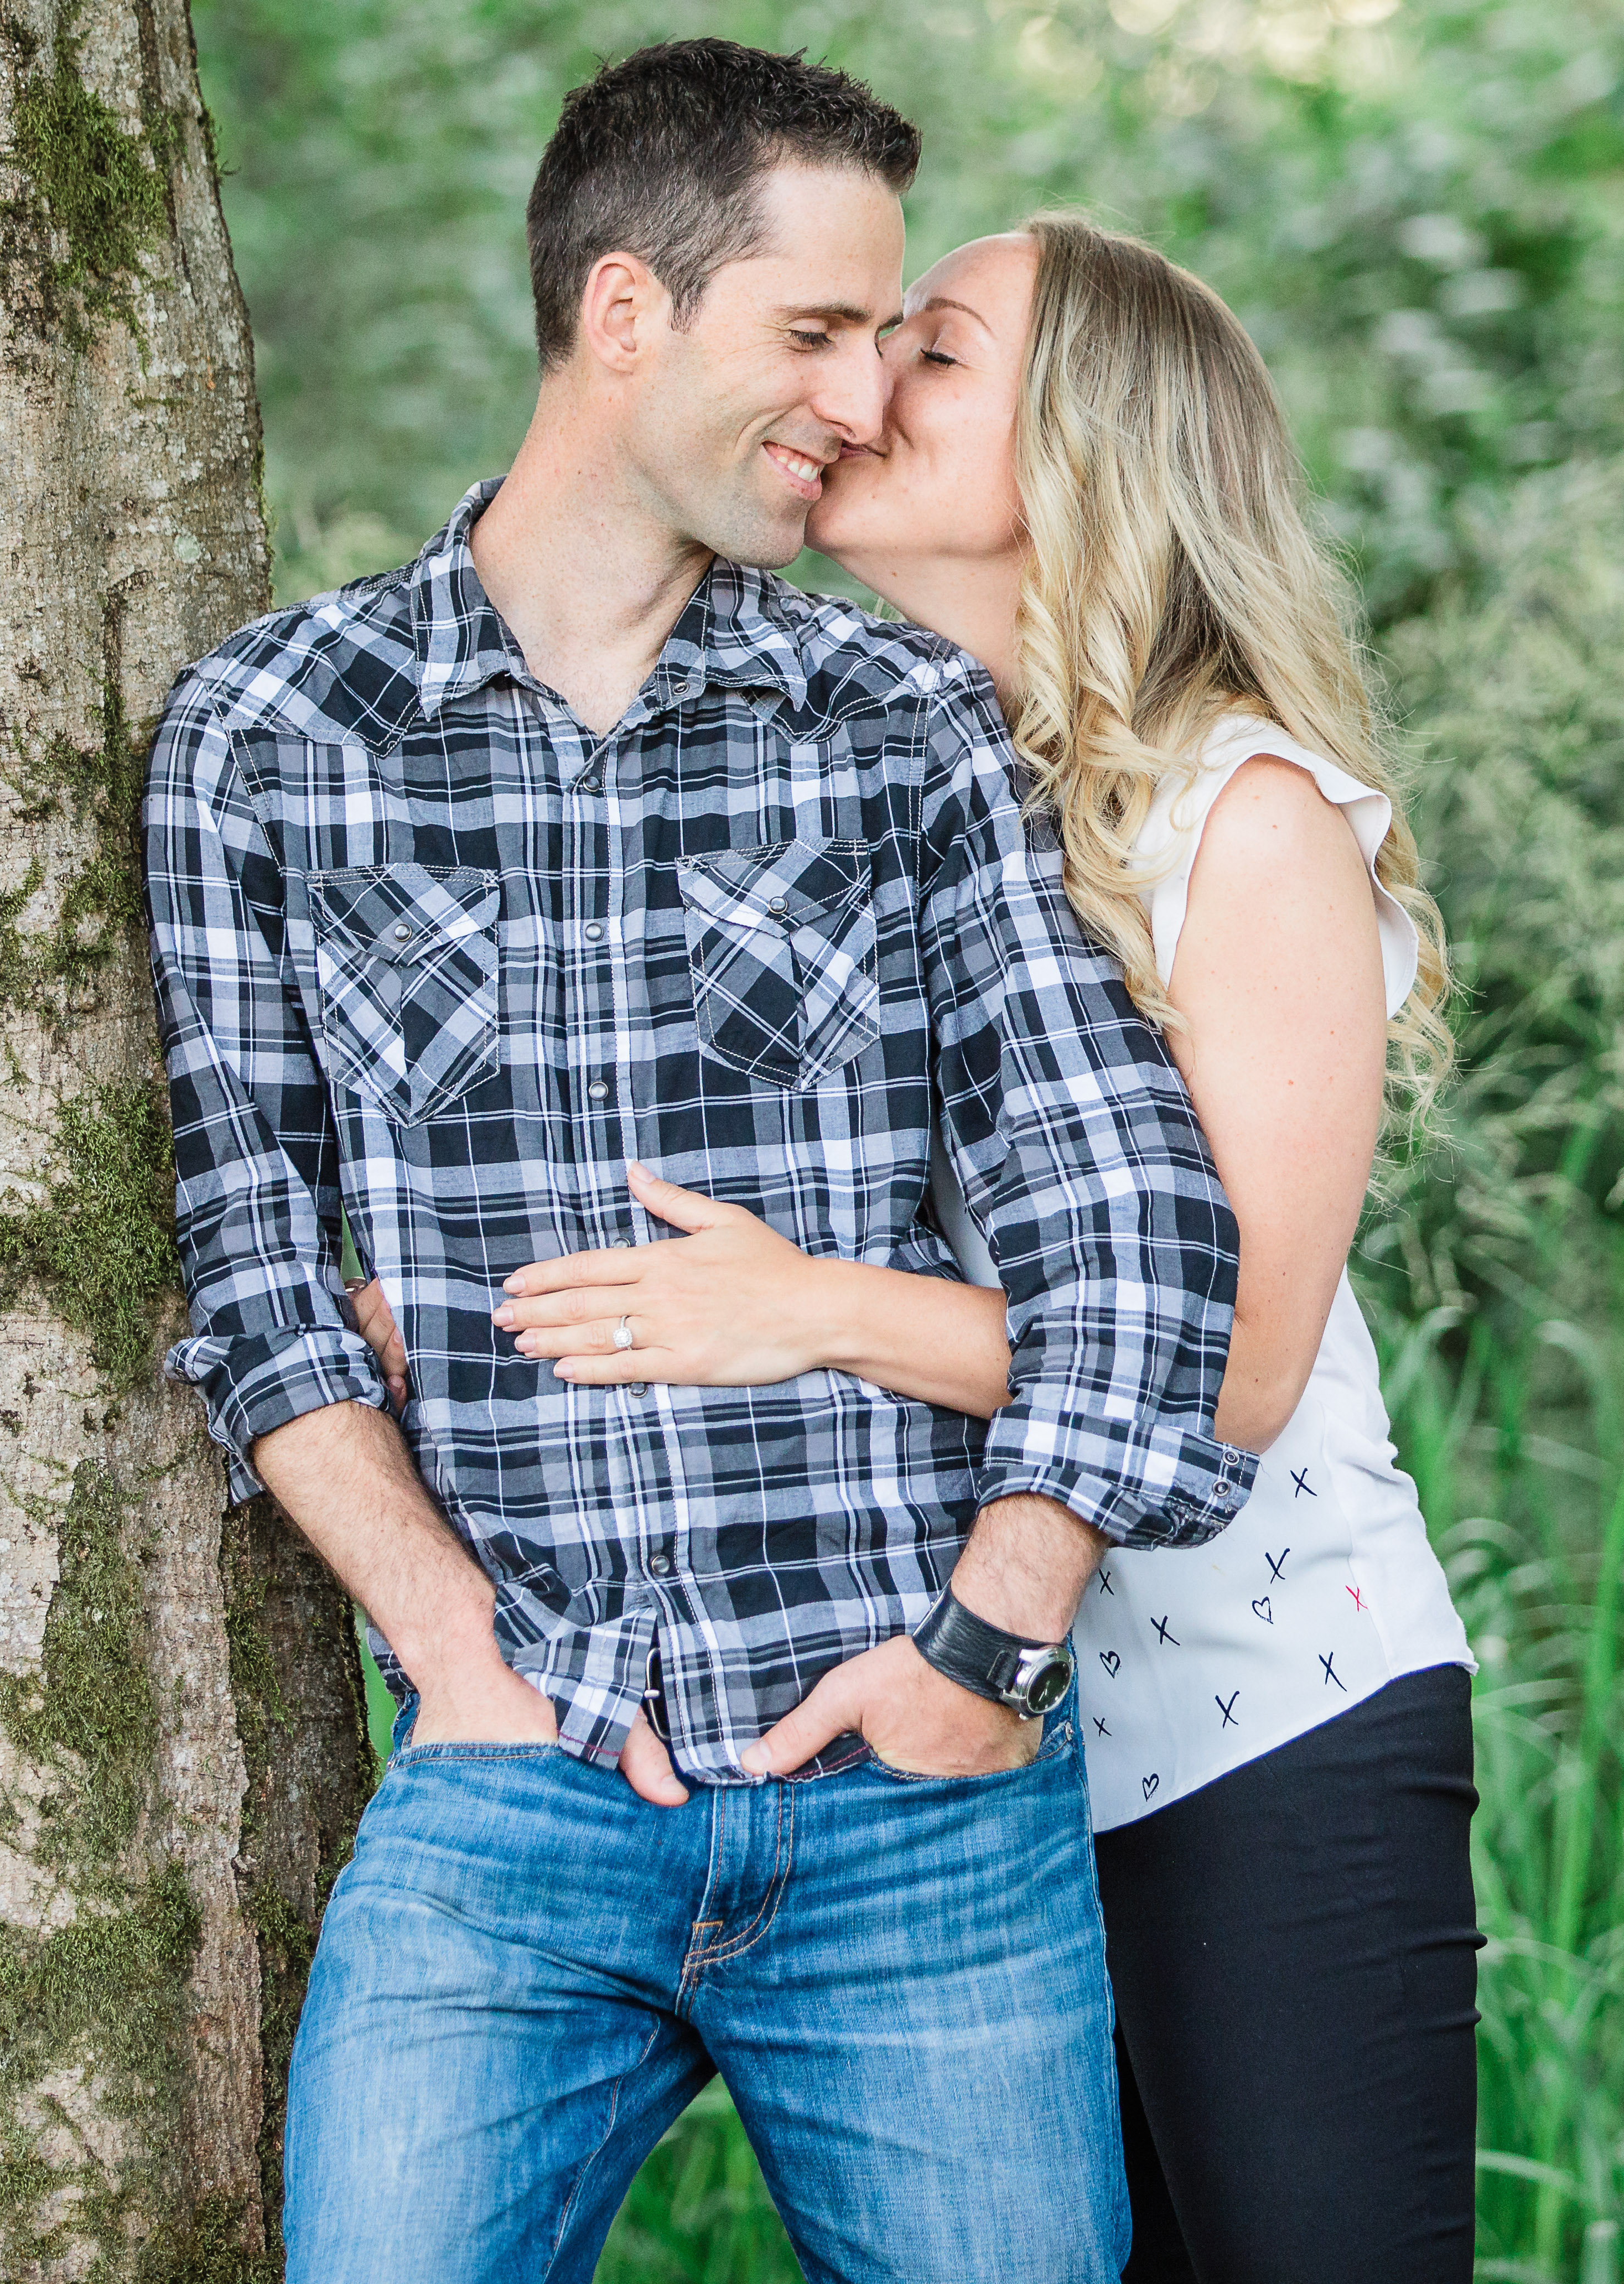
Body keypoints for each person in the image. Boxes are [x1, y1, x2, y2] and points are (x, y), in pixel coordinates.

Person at [147, 46, 1249, 2284]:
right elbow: (253, 1257)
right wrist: (448, 1647)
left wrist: (991, 1646)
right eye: (819, 333)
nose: (863, 396)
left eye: (886, 339)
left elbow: (1127, 1216)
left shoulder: (903, 726)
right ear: (627, 310)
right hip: (513, 1782)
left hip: (918, 1811)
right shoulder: (270, 735)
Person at [436, 214, 1482, 2283]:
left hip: (1261, 1721)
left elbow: (1241, 1370)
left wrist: (798, 1314)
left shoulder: (1239, 816)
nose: (855, 397)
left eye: (931, 356)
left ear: (1091, 439)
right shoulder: (898, 778)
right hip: (970, 1731)